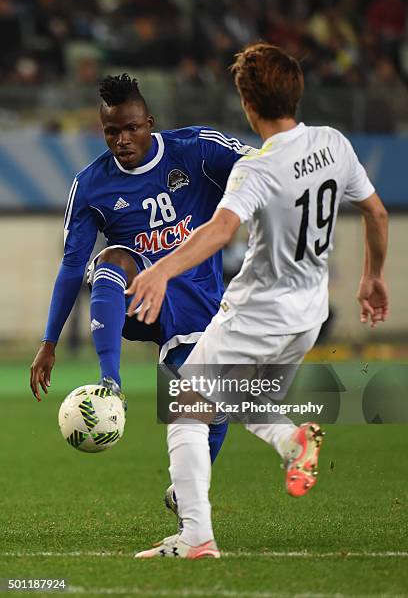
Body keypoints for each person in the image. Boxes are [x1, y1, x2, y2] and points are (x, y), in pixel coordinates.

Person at [126, 43, 389, 558]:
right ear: (297, 91)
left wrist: (160, 268)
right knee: (239, 398)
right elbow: (377, 213)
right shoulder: (334, 144)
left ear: (247, 103)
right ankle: (293, 442)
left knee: (185, 407)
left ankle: (196, 536)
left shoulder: (259, 168)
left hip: (260, 313)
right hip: (310, 314)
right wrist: (372, 276)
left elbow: (220, 230)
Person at [29, 73, 256, 489]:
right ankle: (110, 384)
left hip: (196, 302)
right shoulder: (91, 186)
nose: (122, 140)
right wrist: (49, 343)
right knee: (110, 261)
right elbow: (70, 267)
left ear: (149, 122)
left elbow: (260, 169)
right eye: (111, 132)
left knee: (205, 405)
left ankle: (187, 490)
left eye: (131, 128)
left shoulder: (197, 150)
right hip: (137, 300)